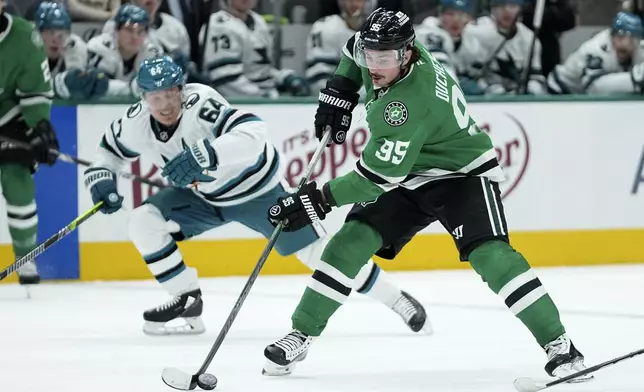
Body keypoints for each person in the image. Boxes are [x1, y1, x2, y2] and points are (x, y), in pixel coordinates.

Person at [262, 8, 593, 384]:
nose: (374, 65)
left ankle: (561, 346)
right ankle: (300, 333)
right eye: (372, 56)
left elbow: (373, 178)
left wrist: (315, 201)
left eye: (384, 58)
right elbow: (353, 50)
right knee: (348, 243)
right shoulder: (383, 49)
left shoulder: (405, 106)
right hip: (410, 170)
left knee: (492, 256)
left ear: (407, 53)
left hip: (461, 173)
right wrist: (339, 90)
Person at [82, 55, 431, 336]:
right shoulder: (135, 122)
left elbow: (254, 131)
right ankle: (186, 298)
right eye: (155, 98)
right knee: (143, 221)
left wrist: (206, 154)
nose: (164, 105)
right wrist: (101, 178)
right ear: (142, 98)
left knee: (320, 253)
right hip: (204, 199)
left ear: (181, 89)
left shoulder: (201, 103)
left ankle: (396, 299)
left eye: (170, 95)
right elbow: (108, 153)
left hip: (258, 194)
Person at [0, 0, 59, 284]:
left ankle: (25, 259)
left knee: (17, 180)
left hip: (8, 119)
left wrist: (39, 128)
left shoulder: (24, 36)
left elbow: (35, 90)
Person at [199, 0, 309, 98]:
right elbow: (226, 81)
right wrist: (262, 96)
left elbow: (261, 71)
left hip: (261, 95)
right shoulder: (218, 25)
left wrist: (285, 77)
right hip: (234, 104)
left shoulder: (258, 21)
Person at [547, 11, 644, 95]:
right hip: (560, 91)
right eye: (620, 37)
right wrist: (634, 78)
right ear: (611, 35)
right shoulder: (596, 49)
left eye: (632, 40)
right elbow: (593, 88)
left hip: (581, 96)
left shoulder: (639, 49)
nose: (624, 44)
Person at [467, 0, 546, 94]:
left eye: (513, 5)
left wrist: (533, 89)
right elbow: (469, 75)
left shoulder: (529, 38)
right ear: (492, 8)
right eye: (501, 5)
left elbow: (536, 77)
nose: (507, 10)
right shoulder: (475, 32)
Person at [35, 2, 108, 100]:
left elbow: (77, 84)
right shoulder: (25, 48)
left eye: (61, 34)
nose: (55, 40)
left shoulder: (77, 47)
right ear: (38, 32)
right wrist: (57, 85)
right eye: (50, 32)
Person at [86, 4, 161, 97]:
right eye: (129, 30)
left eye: (140, 31)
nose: (135, 37)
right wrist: (133, 88)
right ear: (116, 29)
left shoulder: (152, 51)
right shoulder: (100, 47)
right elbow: (97, 88)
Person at [415, 0, 487, 94]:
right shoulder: (429, 34)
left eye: (461, 14)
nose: (456, 19)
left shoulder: (471, 43)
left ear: (469, 18)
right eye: (450, 14)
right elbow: (442, 79)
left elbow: (477, 76)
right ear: (440, 15)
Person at [305, 0, 376, 93]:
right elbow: (318, 81)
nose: (353, 3)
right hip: (336, 100)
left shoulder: (380, 30)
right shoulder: (327, 28)